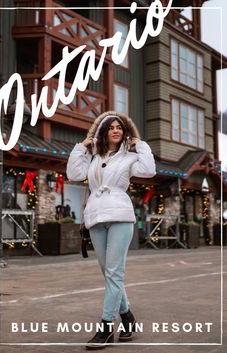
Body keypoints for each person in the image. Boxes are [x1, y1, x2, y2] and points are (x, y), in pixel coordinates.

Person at [66, 111, 156, 350]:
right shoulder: (94, 157)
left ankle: (106, 328)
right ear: (104, 132)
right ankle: (127, 317)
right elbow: (73, 174)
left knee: (114, 274)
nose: (116, 130)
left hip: (120, 217)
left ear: (124, 133)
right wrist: (81, 148)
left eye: (120, 127)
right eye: (111, 127)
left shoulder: (129, 158)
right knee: (109, 275)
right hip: (95, 218)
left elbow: (149, 170)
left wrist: (142, 146)